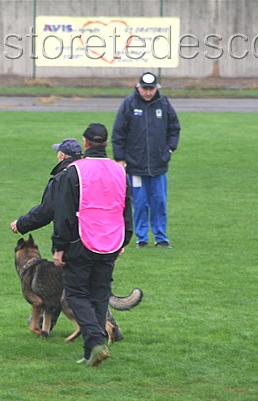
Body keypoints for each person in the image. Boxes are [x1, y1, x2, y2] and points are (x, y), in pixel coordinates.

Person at [52, 123, 133, 367]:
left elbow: (64, 213)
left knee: (76, 294)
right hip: (111, 241)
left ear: (85, 143)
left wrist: (59, 246)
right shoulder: (120, 171)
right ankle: (91, 352)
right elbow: (126, 207)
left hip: (81, 240)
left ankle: (96, 340)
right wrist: (124, 239)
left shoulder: (74, 170)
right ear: (106, 143)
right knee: (99, 294)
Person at [111, 71, 180, 249]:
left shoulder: (163, 104)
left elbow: (174, 128)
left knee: (159, 202)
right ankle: (141, 237)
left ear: (156, 88)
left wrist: (169, 150)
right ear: (139, 88)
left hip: (159, 166)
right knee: (140, 203)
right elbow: (118, 132)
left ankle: (160, 236)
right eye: (145, 89)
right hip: (135, 166)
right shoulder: (129, 104)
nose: (148, 92)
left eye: (151, 89)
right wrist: (120, 158)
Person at [10, 138, 82, 235]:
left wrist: (21, 223)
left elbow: (46, 211)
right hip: (96, 233)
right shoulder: (89, 173)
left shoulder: (61, 178)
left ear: (62, 156)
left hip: (72, 236)